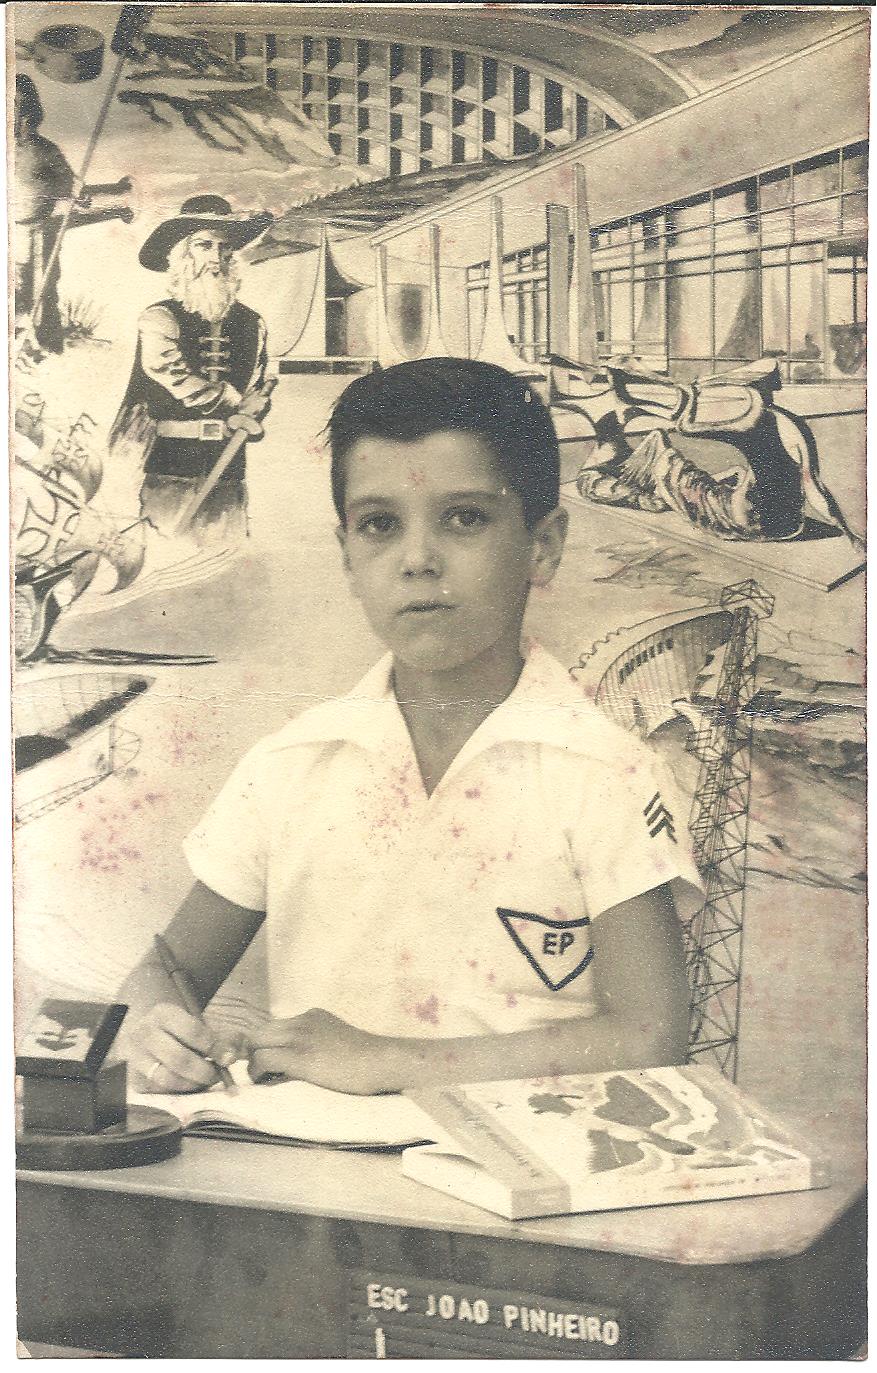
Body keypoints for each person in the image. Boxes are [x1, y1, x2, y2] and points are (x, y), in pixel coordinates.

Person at [118, 358, 703, 1096]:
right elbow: (166, 969)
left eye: (465, 518)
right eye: (379, 525)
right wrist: (154, 1025)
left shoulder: (603, 771)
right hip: (310, 1157)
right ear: (347, 557)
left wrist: (390, 1060)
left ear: (543, 545)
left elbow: (651, 1037)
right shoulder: (292, 763)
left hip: (521, 1162)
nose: (418, 560)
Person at [109, 195, 273, 544]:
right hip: (171, 466)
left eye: (224, 247)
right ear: (182, 255)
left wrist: (257, 405)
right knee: (168, 552)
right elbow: (171, 374)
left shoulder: (252, 323)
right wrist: (232, 401)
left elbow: (257, 385)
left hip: (229, 465)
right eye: (204, 245)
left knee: (226, 556)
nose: (215, 258)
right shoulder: (159, 318)